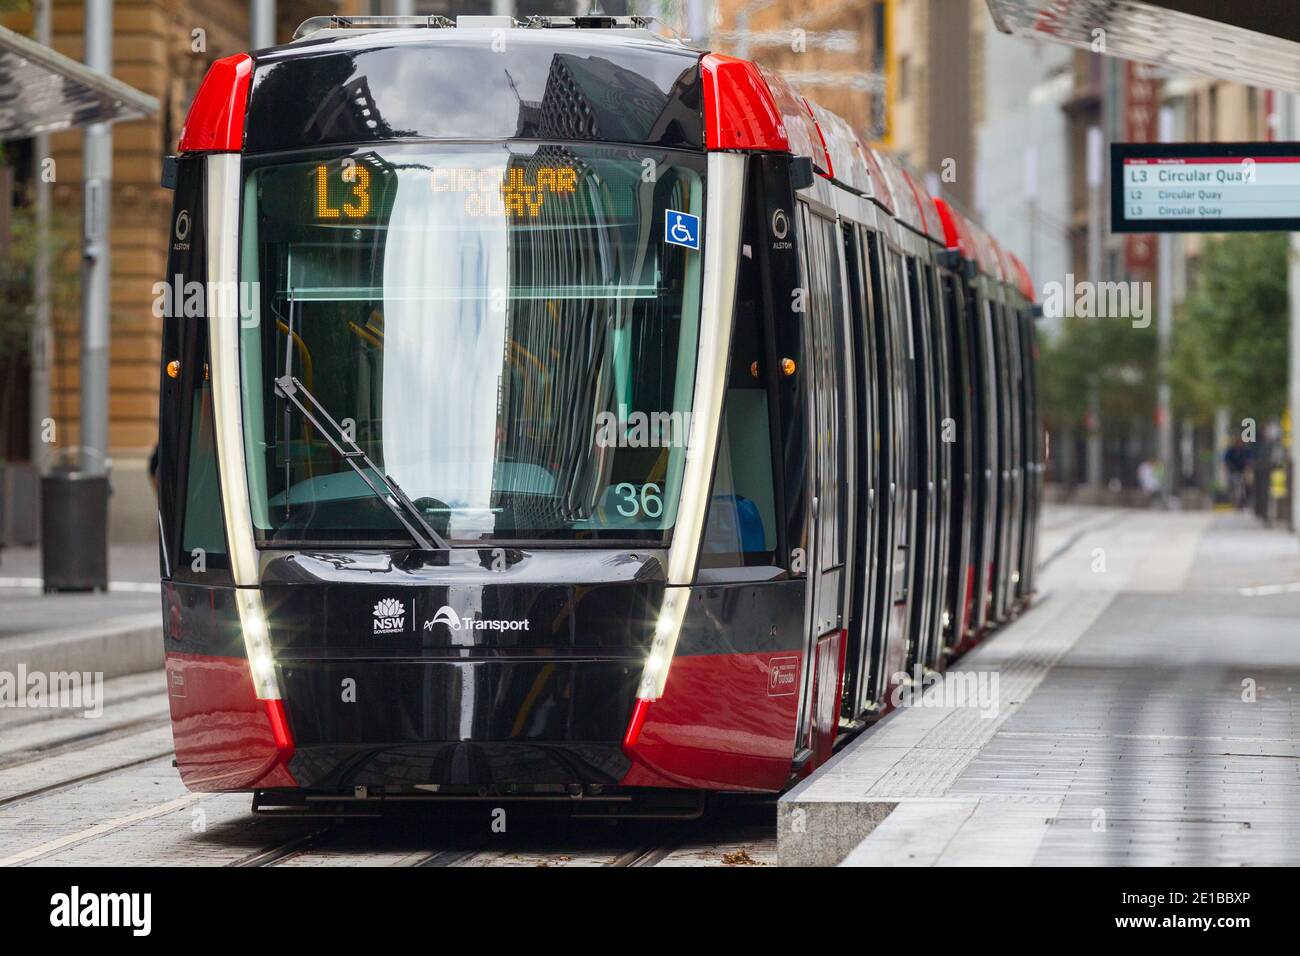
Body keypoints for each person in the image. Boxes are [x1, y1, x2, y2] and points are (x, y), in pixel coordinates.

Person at [1224, 439, 1247, 509]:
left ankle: (1241, 502)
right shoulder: (1231, 451)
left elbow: (1248, 460)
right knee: (1235, 487)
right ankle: (1234, 502)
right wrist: (1229, 467)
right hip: (1233, 472)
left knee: (1241, 488)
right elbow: (1226, 460)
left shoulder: (1244, 451)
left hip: (1241, 472)